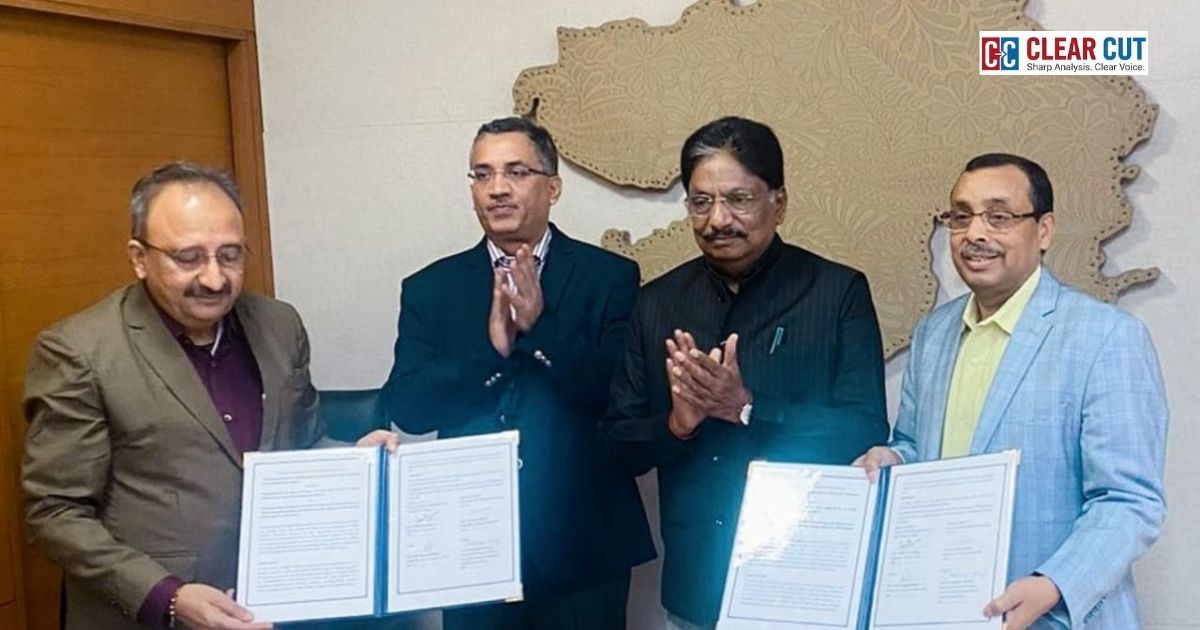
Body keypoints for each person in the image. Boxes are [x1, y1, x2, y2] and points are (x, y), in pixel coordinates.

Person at [855, 153, 1168, 630]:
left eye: (998, 217)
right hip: (944, 612)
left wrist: (1053, 583)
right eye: (961, 217)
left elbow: (1129, 500)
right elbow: (915, 446)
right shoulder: (934, 333)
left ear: (1043, 230)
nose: (975, 234)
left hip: (1061, 618)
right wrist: (892, 461)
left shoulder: (1106, 336)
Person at [602, 116, 889, 629]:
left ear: (778, 202)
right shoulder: (655, 303)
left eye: (739, 199)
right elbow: (618, 445)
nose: (718, 220)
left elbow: (862, 427)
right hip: (697, 587)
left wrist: (747, 409)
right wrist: (678, 425)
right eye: (701, 201)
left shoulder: (836, 291)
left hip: (806, 579)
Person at [372, 116, 655, 630]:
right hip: (470, 548)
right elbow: (409, 407)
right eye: (481, 175)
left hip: (583, 546)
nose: (496, 189)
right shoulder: (431, 288)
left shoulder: (609, 277)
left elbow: (620, 401)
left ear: (553, 186)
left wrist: (539, 329)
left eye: (516, 172)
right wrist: (492, 351)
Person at [22, 162, 328, 630]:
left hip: (273, 608)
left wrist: (360, 461)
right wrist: (168, 596)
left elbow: (302, 446)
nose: (214, 278)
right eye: (188, 258)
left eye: (230, 255)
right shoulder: (79, 351)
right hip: (150, 616)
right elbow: (55, 512)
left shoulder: (280, 325)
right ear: (139, 258)